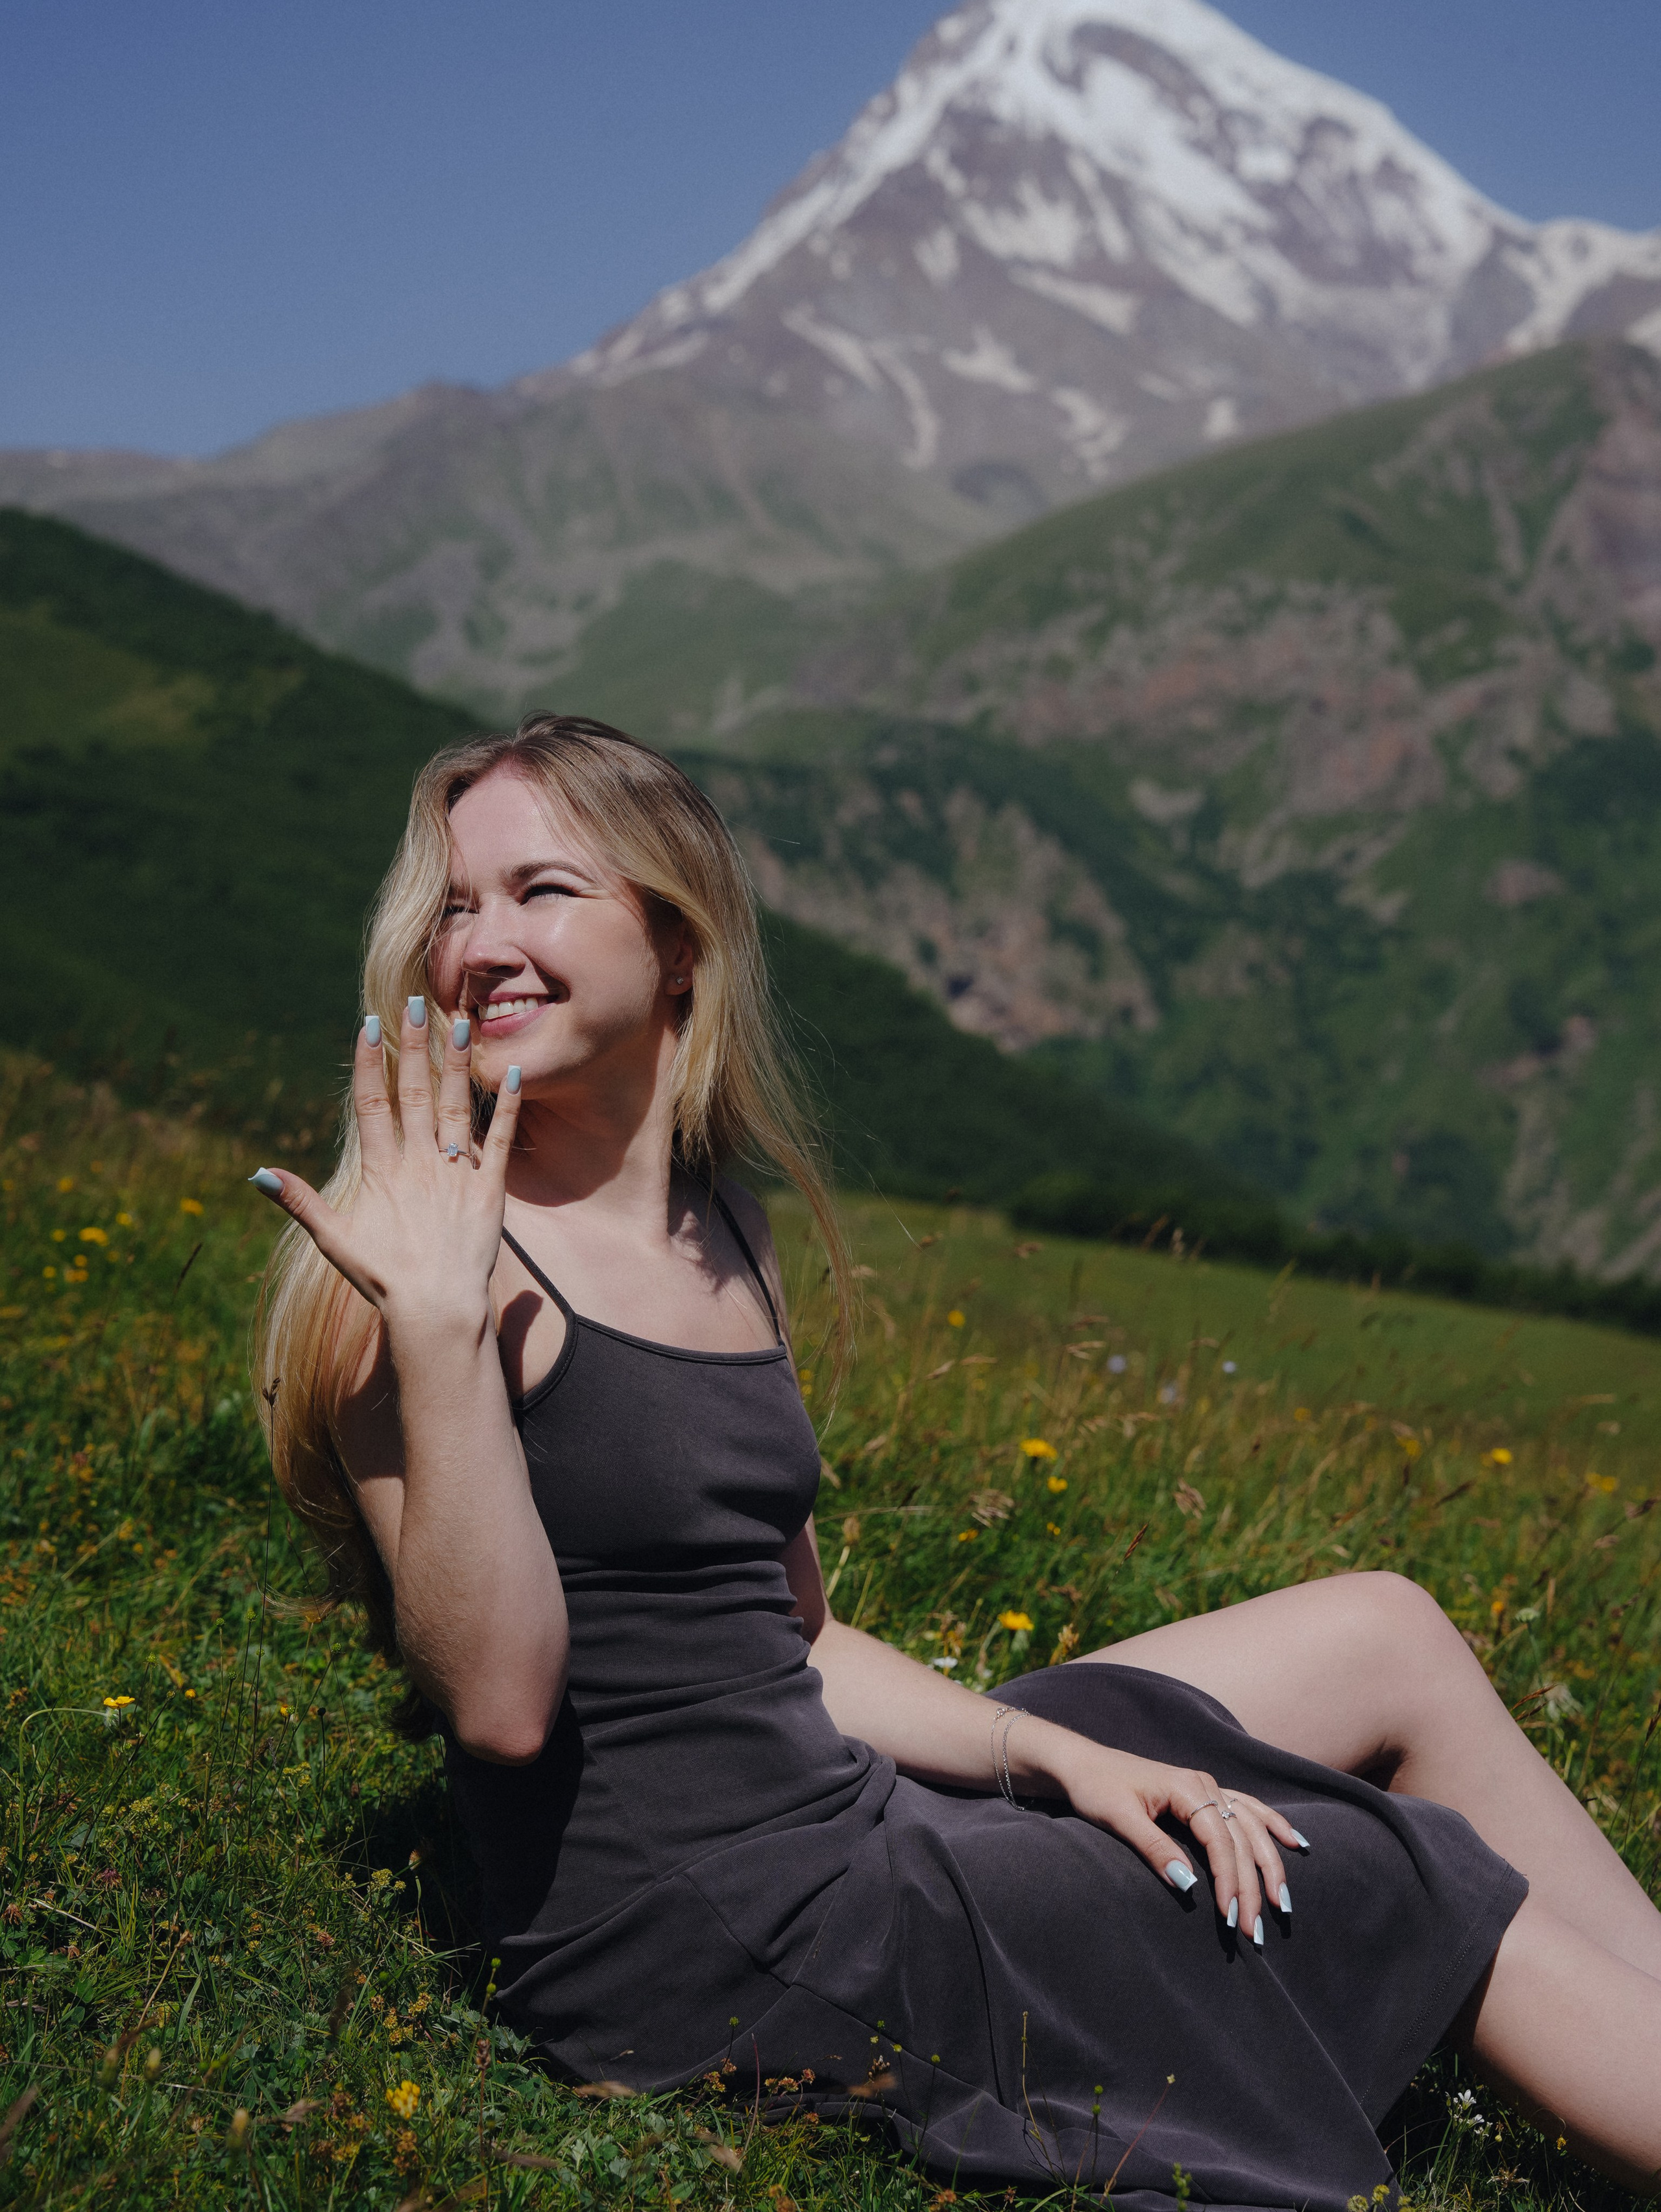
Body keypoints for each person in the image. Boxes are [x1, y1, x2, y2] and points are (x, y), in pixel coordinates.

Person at [254, 714, 1661, 2208]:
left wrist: (1049, 1753)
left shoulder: (720, 1227)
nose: (482, 945)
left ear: (677, 945)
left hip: (838, 1809)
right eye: (456, 905)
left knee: (1379, 1626)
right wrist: (444, 1332)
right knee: (1383, 1867)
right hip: (710, 1934)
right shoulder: (409, 1281)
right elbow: (500, 1704)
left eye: (540, 891)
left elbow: (786, 1634)